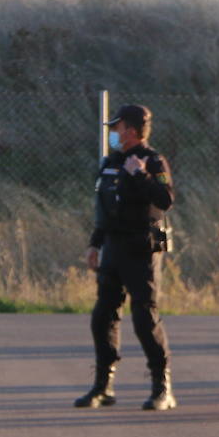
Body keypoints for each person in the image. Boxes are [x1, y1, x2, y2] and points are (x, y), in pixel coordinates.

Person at [76, 104, 176, 411]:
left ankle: (162, 386)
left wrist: (142, 176)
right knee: (103, 315)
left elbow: (165, 200)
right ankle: (103, 386)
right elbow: (103, 208)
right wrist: (95, 244)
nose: (114, 134)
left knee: (145, 316)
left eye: (117, 129)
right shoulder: (110, 162)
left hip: (143, 247)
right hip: (114, 246)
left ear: (131, 130)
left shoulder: (152, 160)